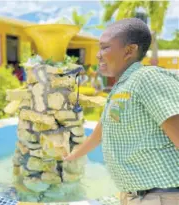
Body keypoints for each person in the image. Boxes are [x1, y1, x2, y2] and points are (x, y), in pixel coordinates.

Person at [64, 18, 179, 205]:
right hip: (136, 195)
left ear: (129, 51)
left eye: (105, 47)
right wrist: (70, 157)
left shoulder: (147, 78)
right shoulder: (121, 88)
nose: (98, 55)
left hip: (162, 195)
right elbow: (98, 135)